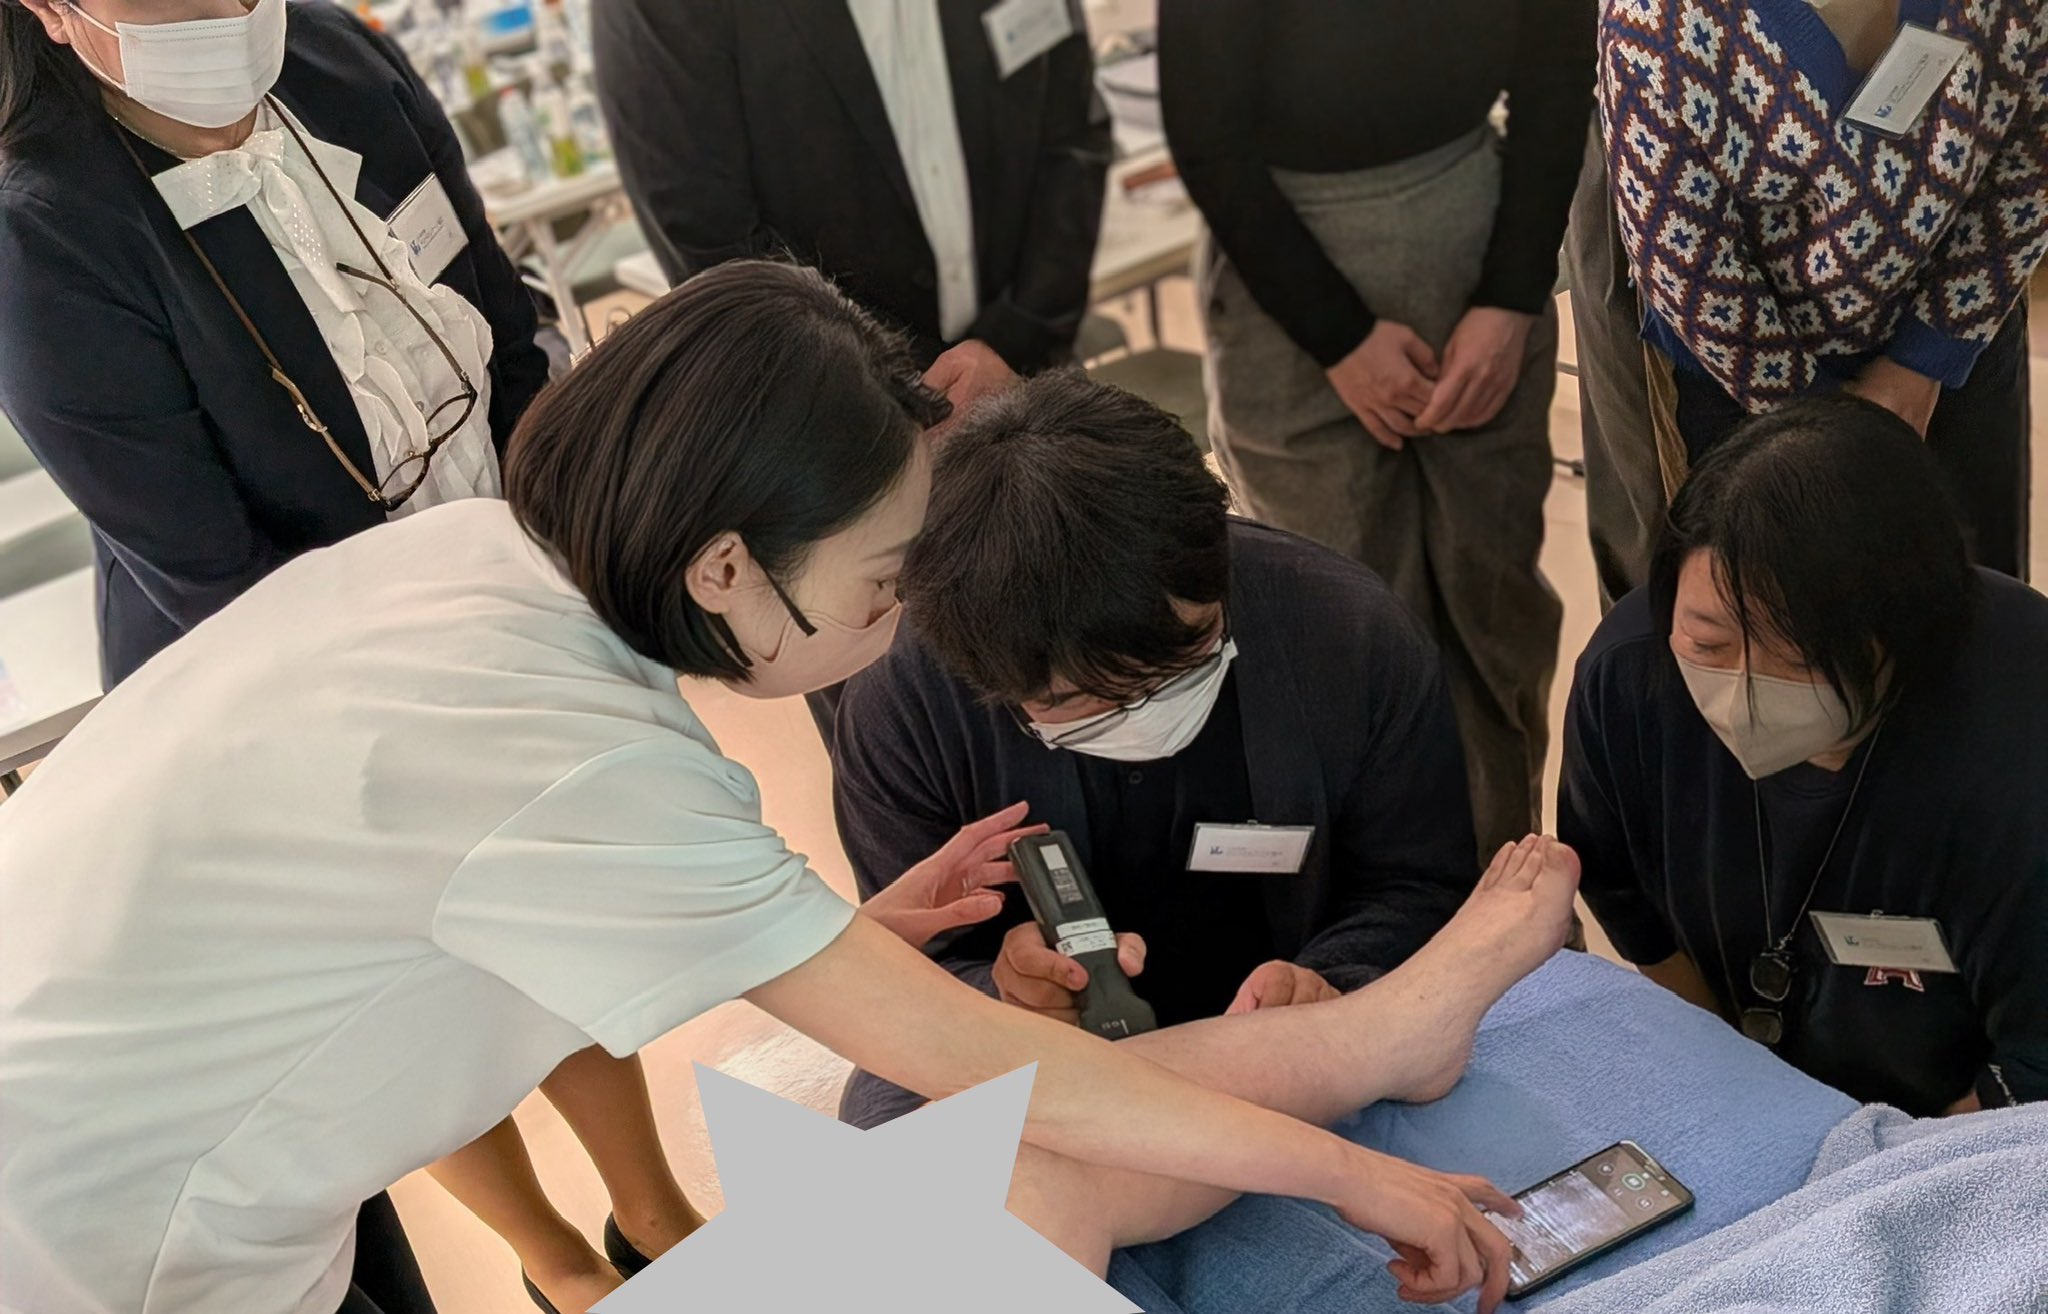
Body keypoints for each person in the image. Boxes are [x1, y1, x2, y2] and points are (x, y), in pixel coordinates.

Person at [0, 261, 1580, 1314]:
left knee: (1017, 1179)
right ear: (727, 565)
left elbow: (480, 924)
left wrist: (853, 935)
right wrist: (1365, 1164)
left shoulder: (478, 565)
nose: (899, 625)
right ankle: (1387, 1035)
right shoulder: (576, 749)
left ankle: (1389, 1028)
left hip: (135, 1155)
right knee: (1022, 1157)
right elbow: (1005, 1066)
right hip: (96, 1237)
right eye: (884, 583)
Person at [831, 373, 1480, 1129]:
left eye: (1184, 662)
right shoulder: (907, 702)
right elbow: (908, 970)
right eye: (1074, 700)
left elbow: (1419, 881)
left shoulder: (1345, 632)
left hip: (1300, 1027)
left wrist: (1328, 982)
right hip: (1034, 1053)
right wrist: (1006, 995)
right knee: (890, 1145)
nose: (1139, 712)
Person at [0, 0, 550, 687]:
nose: (233, 12)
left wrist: (555, 553)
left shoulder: (344, 62)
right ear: (52, 10)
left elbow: (510, 343)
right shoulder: (46, 242)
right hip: (297, 683)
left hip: (522, 597)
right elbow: (224, 586)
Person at [1159, 0, 1596, 860]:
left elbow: (1556, 80)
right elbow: (1208, 136)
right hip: (1287, 287)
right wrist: (1339, 336)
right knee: (1339, 630)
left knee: (1494, 613)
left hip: (1478, 256)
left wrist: (1511, 298)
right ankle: (1384, 909)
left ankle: (1509, 881)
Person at [1560, 395, 2048, 1118]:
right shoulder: (1630, 677)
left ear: (1905, 626)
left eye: (1796, 657)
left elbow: (2034, 1068)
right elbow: (1622, 891)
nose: (1744, 692)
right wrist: (1736, 1080)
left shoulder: (2019, 732)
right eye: (1709, 644)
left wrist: (1875, 1167)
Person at [1599, 0, 2043, 578]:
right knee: (1773, 601)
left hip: (1951, 337)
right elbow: (1686, 258)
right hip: (1744, 374)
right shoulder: (1658, 17)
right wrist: (1817, 421)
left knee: (1971, 591)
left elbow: (2029, 165)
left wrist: (1920, 366)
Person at [592, 0, 1111, 407]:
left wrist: (1013, 344)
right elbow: (714, 248)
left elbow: (1074, 136)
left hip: (1032, 382)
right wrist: (905, 399)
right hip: (843, 433)